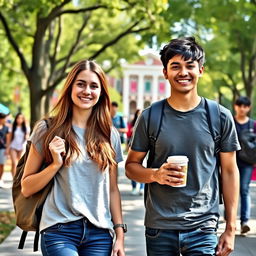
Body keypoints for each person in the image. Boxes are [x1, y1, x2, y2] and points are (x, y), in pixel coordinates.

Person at [125, 37, 240, 256]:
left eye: (190, 66)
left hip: (203, 226)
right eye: (175, 66)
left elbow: (229, 171)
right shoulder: (150, 117)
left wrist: (231, 227)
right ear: (165, 73)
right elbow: (131, 166)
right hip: (159, 227)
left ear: (201, 70)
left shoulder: (219, 116)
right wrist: (155, 175)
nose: (183, 72)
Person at [21, 60, 126, 256]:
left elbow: (112, 189)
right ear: (70, 87)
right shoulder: (46, 129)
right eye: (81, 84)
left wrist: (119, 234)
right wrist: (54, 165)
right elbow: (26, 187)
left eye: (94, 86)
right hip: (59, 231)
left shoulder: (109, 135)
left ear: (101, 93)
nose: (87, 91)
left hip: (100, 233)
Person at [234, 96, 256, 236]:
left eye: (245, 106)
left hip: (247, 163)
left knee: (244, 190)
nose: (242, 108)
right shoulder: (229, 121)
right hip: (231, 162)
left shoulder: (253, 125)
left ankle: (244, 222)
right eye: (240, 105)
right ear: (235, 106)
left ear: (248, 108)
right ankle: (229, 217)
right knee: (229, 190)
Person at [126, 109, 144, 195]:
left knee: (143, 169)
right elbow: (128, 133)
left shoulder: (147, 124)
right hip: (132, 148)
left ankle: (141, 188)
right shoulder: (132, 123)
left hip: (144, 150)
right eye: (139, 114)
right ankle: (134, 187)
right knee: (132, 167)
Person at [9, 112, 30, 177]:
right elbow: (9, 138)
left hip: (22, 147)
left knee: (20, 164)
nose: (19, 119)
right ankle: (14, 179)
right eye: (18, 118)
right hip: (13, 147)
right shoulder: (12, 127)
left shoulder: (26, 127)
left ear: (23, 119)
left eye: (21, 118)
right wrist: (7, 148)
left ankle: (18, 178)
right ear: (16, 119)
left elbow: (27, 137)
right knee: (14, 163)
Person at [0, 112, 11, 188]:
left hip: (3, 148)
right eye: (4, 119)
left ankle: (0, 179)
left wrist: (7, 149)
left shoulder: (6, 128)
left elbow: (8, 140)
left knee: (2, 165)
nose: (5, 120)